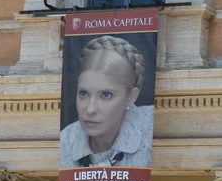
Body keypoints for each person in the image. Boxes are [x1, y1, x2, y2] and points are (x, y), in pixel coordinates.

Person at [61, 35, 154, 168]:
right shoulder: (65, 142)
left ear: (131, 97)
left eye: (105, 95)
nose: (90, 109)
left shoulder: (152, 129)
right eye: (83, 93)